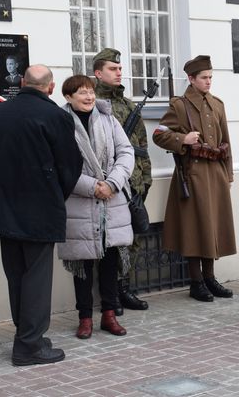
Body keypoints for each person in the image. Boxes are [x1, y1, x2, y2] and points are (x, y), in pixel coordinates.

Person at [0, 65, 83, 365]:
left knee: (16, 275)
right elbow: (70, 166)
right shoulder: (56, 116)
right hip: (39, 209)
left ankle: (26, 335)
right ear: (51, 87)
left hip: (3, 207)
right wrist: (56, 195)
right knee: (37, 279)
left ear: (22, 82)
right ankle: (29, 345)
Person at [153, 55, 236, 302]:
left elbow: (226, 142)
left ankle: (210, 278)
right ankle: (196, 281)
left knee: (212, 227)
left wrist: (228, 173)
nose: (208, 82)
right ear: (191, 79)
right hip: (193, 174)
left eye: (211, 77)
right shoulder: (179, 105)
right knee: (194, 229)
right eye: (204, 78)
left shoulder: (217, 104)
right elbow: (159, 135)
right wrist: (183, 140)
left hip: (215, 173)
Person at [58, 74, 134, 339]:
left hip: (111, 200)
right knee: (83, 264)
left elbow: (126, 152)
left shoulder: (107, 118)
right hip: (80, 201)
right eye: (81, 92)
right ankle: (85, 318)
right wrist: (92, 187)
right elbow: (62, 166)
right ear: (68, 97)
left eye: (90, 91)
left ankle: (109, 315)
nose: (89, 96)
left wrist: (111, 183)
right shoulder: (61, 123)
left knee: (110, 261)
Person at [93, 48, 151, 313]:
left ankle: (124, 289)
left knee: (131, 240)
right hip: (107, 186)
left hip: (133, 185)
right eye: (112, 69)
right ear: (98, 73)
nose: (119, 73)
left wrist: (145, 181)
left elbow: (140, 146)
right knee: (107, 243)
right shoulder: (92, 104)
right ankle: (109, 296)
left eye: (119, 69)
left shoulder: (129, 106)